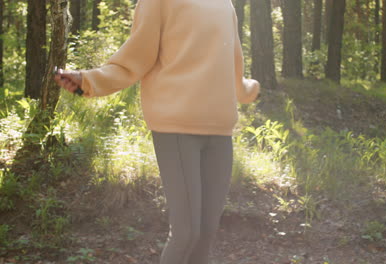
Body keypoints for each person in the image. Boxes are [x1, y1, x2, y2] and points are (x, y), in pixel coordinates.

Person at [54, 0, 260, 263]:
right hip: (176, 126)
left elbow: (233, 65)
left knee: (206, 234)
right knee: (186, 234)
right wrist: (89, 80)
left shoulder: (224, 3)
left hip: (220, 129)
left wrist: (250, 90)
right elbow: (134, 60)